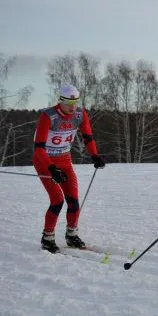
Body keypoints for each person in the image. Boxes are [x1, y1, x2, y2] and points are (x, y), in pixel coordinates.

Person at [33, 84, 106, 253]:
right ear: (60, 101)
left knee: (73, 200)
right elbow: (39, 149)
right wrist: (51, 169)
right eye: (68, 103)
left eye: (75, 103)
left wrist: (95, 155)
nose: (72, 107)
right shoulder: (48, 116)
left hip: (65, 160)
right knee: (57, 200)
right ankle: (48, 237)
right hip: (44, 161)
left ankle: (72, 235)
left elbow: (88, 137)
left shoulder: (80, 114)